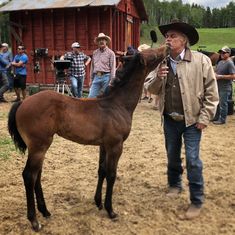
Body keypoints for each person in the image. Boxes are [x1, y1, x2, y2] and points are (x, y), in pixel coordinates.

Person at [147, 20, 219, 219]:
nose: (168, 39)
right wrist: (159, 78)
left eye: (173, 36)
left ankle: (196, 200)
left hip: (192, 121)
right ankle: (174, 185)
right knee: (171, 155)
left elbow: (212, 93)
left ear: (184, 40)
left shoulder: (200, 61)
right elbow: (150, 89)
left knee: (193, 160)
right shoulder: (161, 62)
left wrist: (205, 118)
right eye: (167, 36)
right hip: (170, 119)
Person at [88, 33, 116, 98]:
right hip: (96, 77)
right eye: (99, 40)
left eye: (103, 39)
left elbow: (113, 68)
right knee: (91, 97)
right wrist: (91, 79)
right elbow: (92, 67)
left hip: (106, 77)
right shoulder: (95, 53)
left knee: (105, 97)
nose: (101, 41)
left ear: (106, 41)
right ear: (97, 42)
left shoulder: (111, 53)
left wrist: (112, 81)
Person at [213, 46, 235, 125]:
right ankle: (216, 117)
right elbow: (216, 71)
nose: (221, 54)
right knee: (217, 102)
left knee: (223, 103)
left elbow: (233, 76)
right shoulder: (220, 62)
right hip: (218, 86)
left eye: (224, 52)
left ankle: (222, 119)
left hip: (225, 87)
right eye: (221, 52)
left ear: (228, 54)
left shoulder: (230, 63)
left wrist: (220, 76)